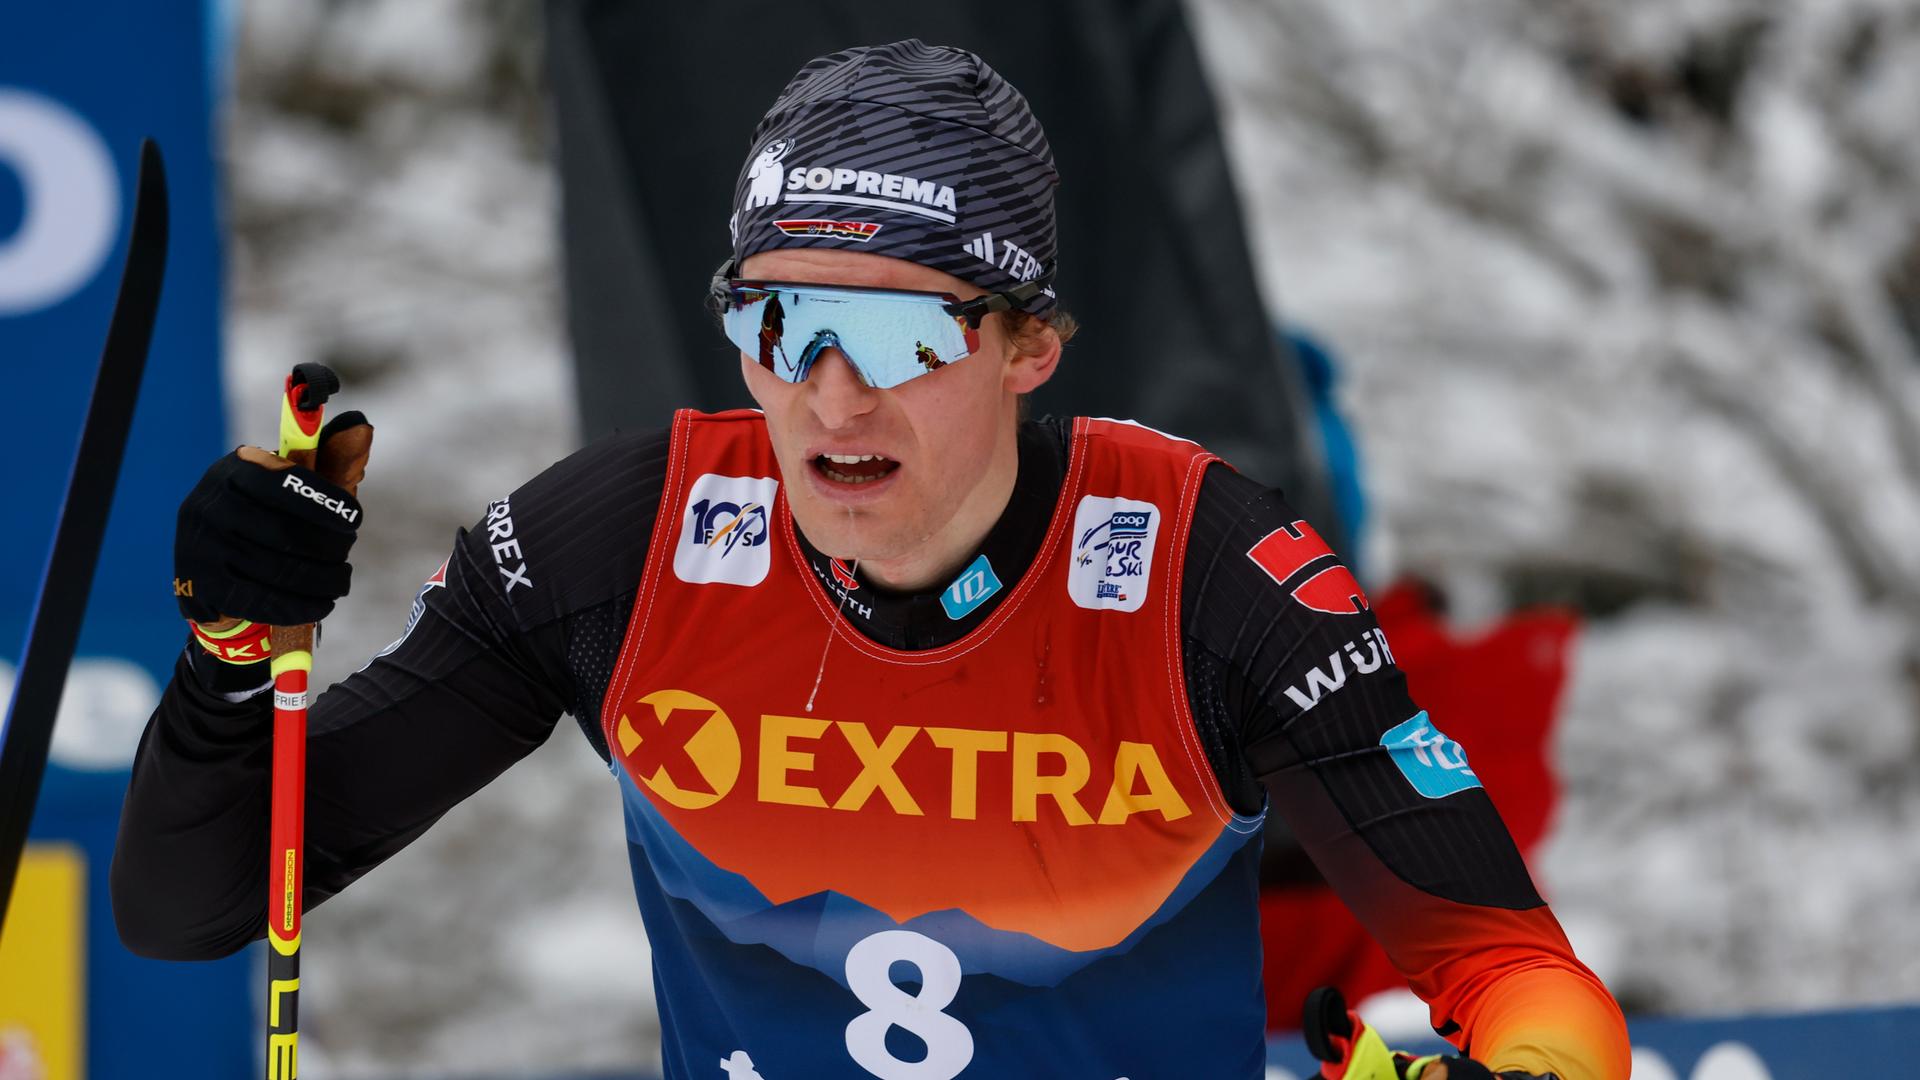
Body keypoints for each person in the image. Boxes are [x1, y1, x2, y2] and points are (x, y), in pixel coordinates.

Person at [114, 40, 1629, 1080]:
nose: (832, 396)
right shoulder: (621, 546)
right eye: (779, 323)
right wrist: (231, 655)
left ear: (1031, 344)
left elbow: (1516, 970)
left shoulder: (1207, 572)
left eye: (902, 333)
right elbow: (191, 906)